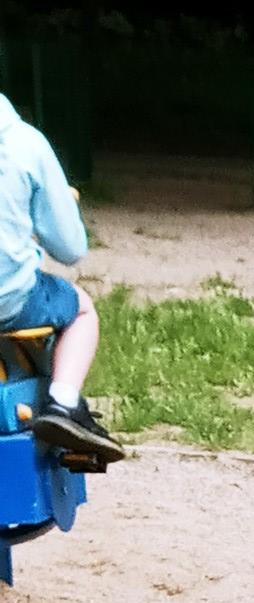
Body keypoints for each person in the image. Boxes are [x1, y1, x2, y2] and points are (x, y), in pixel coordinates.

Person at [0, 92, 121, 465]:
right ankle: (63, 403)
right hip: (10, 301)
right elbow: (70, 249)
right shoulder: (25, 144)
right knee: (81, 309)